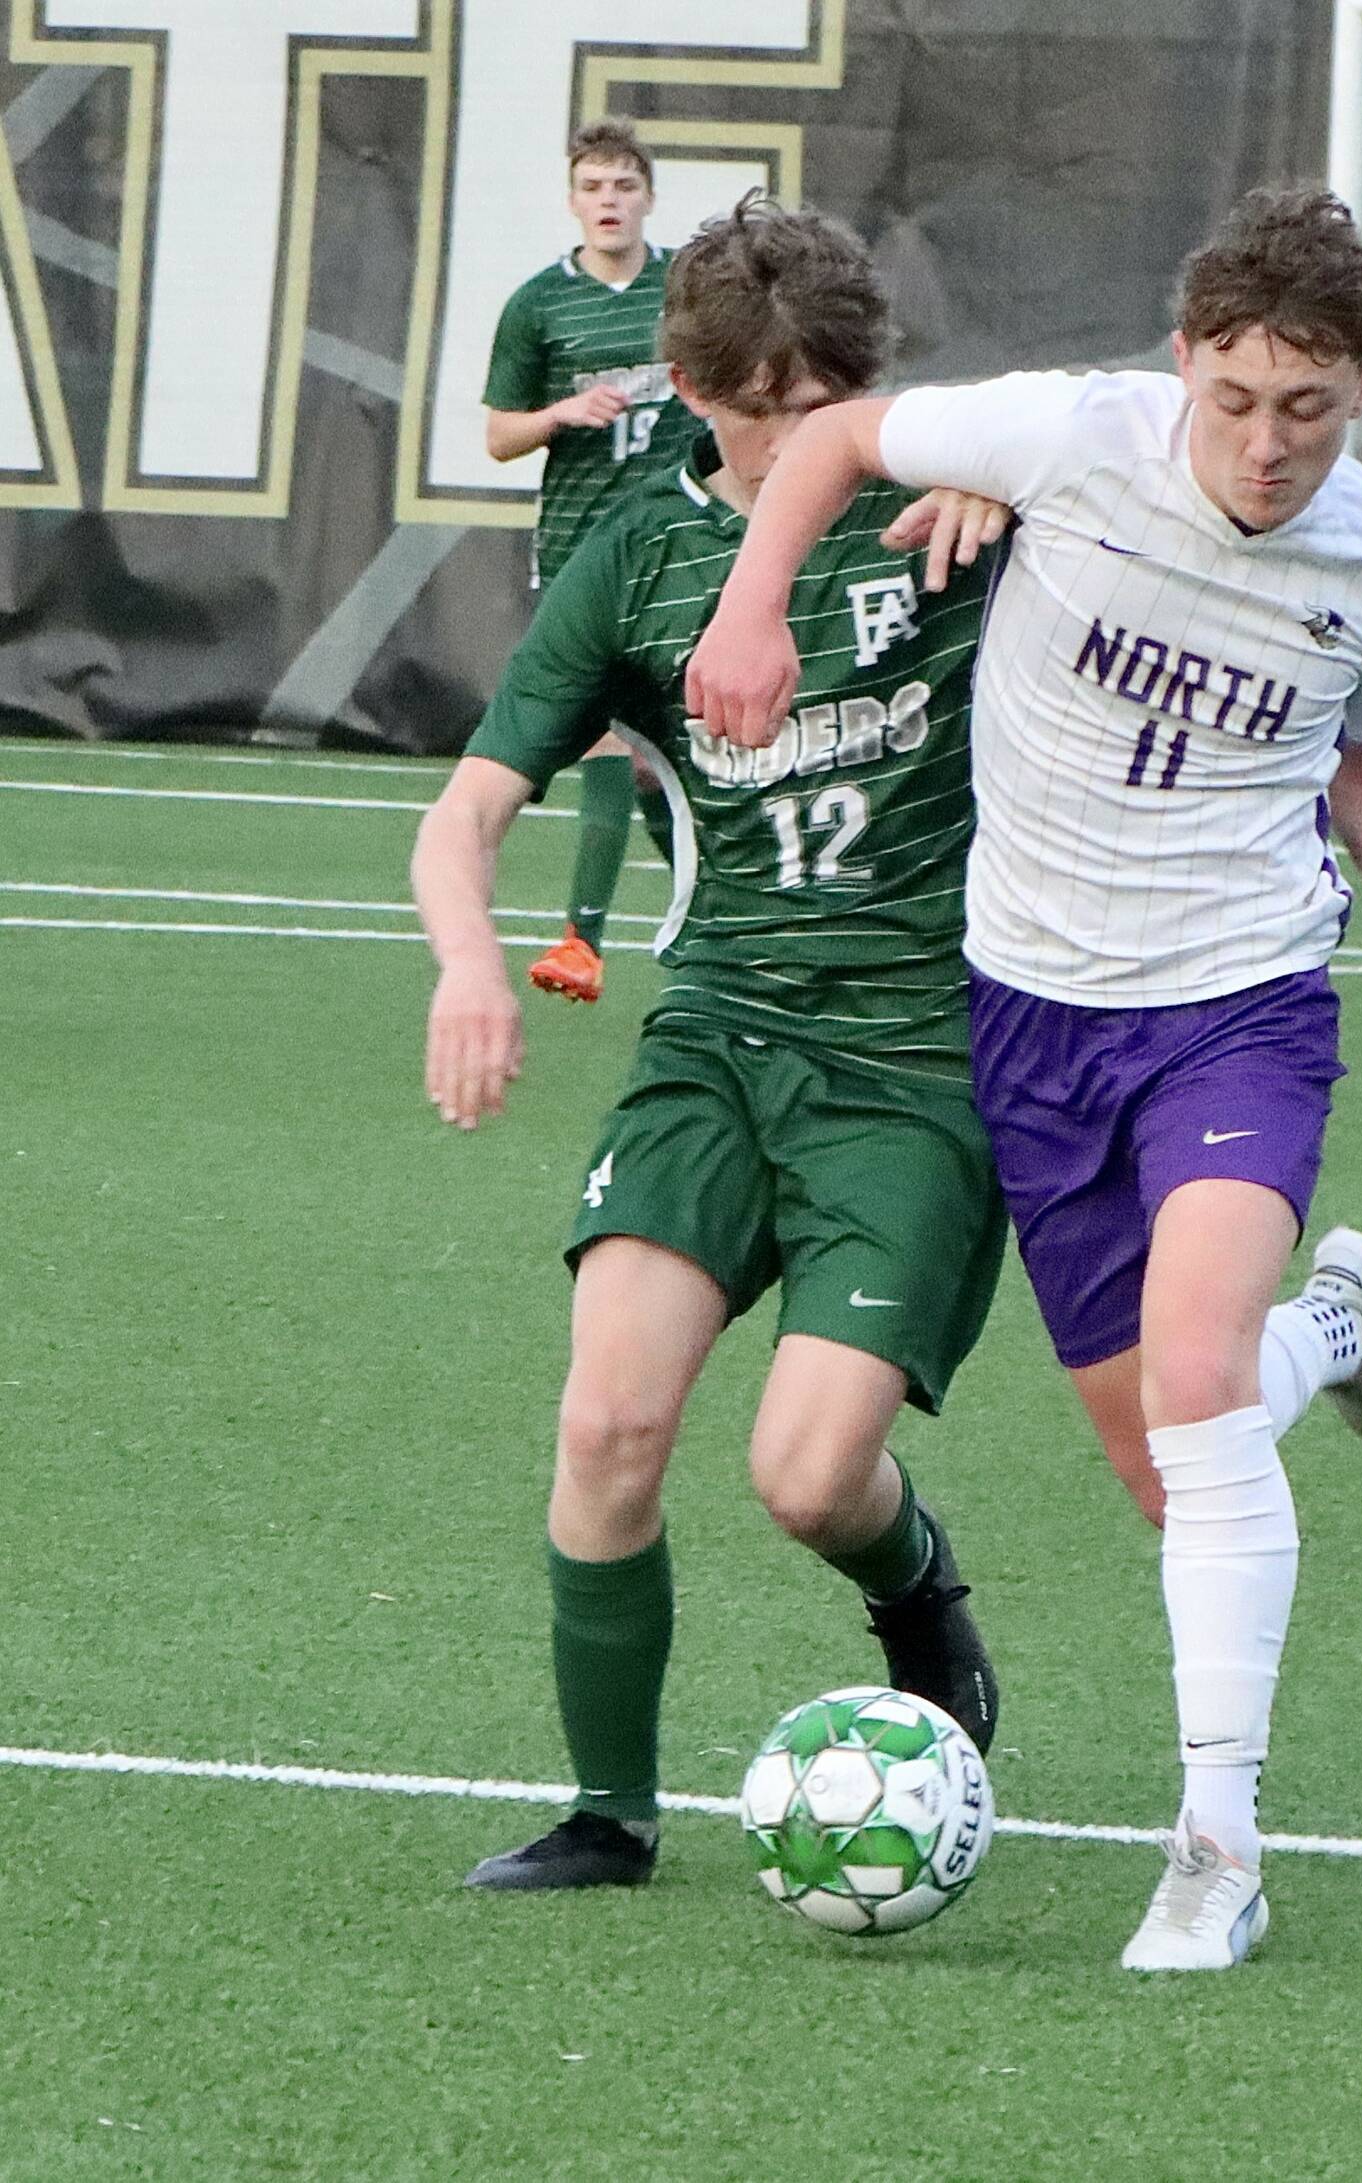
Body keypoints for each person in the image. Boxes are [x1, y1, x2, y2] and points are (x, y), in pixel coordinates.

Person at [687, 184, 1362, 1970]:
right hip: (1031, 1019)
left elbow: (1360, 761)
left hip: (1237, 1007)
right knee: (1178, 1462)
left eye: (1305, 409)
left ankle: (1214, 1850)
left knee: (1188, 1385)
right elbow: (835, 435)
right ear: (1183, 367)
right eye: (1233, 400)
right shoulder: (1072, 436)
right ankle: (1336, 1323)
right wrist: (754, 610)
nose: (1263, 444)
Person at [414, 195, 1013, 1892]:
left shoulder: (960, 505)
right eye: (761, 406)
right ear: (686, 388)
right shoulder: (638, 555)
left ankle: (917, 1595)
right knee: (605, 1427)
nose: (798, 434)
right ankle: (610, 1812)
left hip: (912, 1062)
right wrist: (469, 960)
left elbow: (1150, 435)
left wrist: (1006, 475)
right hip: (721, 1034)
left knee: (810, 1478)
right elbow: (459, 822)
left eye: (828, 399)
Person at [483, 116, 691, 1007]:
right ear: (573, 201)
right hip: (577, 549)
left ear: (647, 196)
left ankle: (705, 912)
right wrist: (560, 416)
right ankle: (583, 940)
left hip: (677, 548)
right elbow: (498, 436)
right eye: (594, 187)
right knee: (611, 735)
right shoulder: (539, 304)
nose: (609, 202)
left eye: (624, 186)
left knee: (659, 758)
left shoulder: (686, 290)